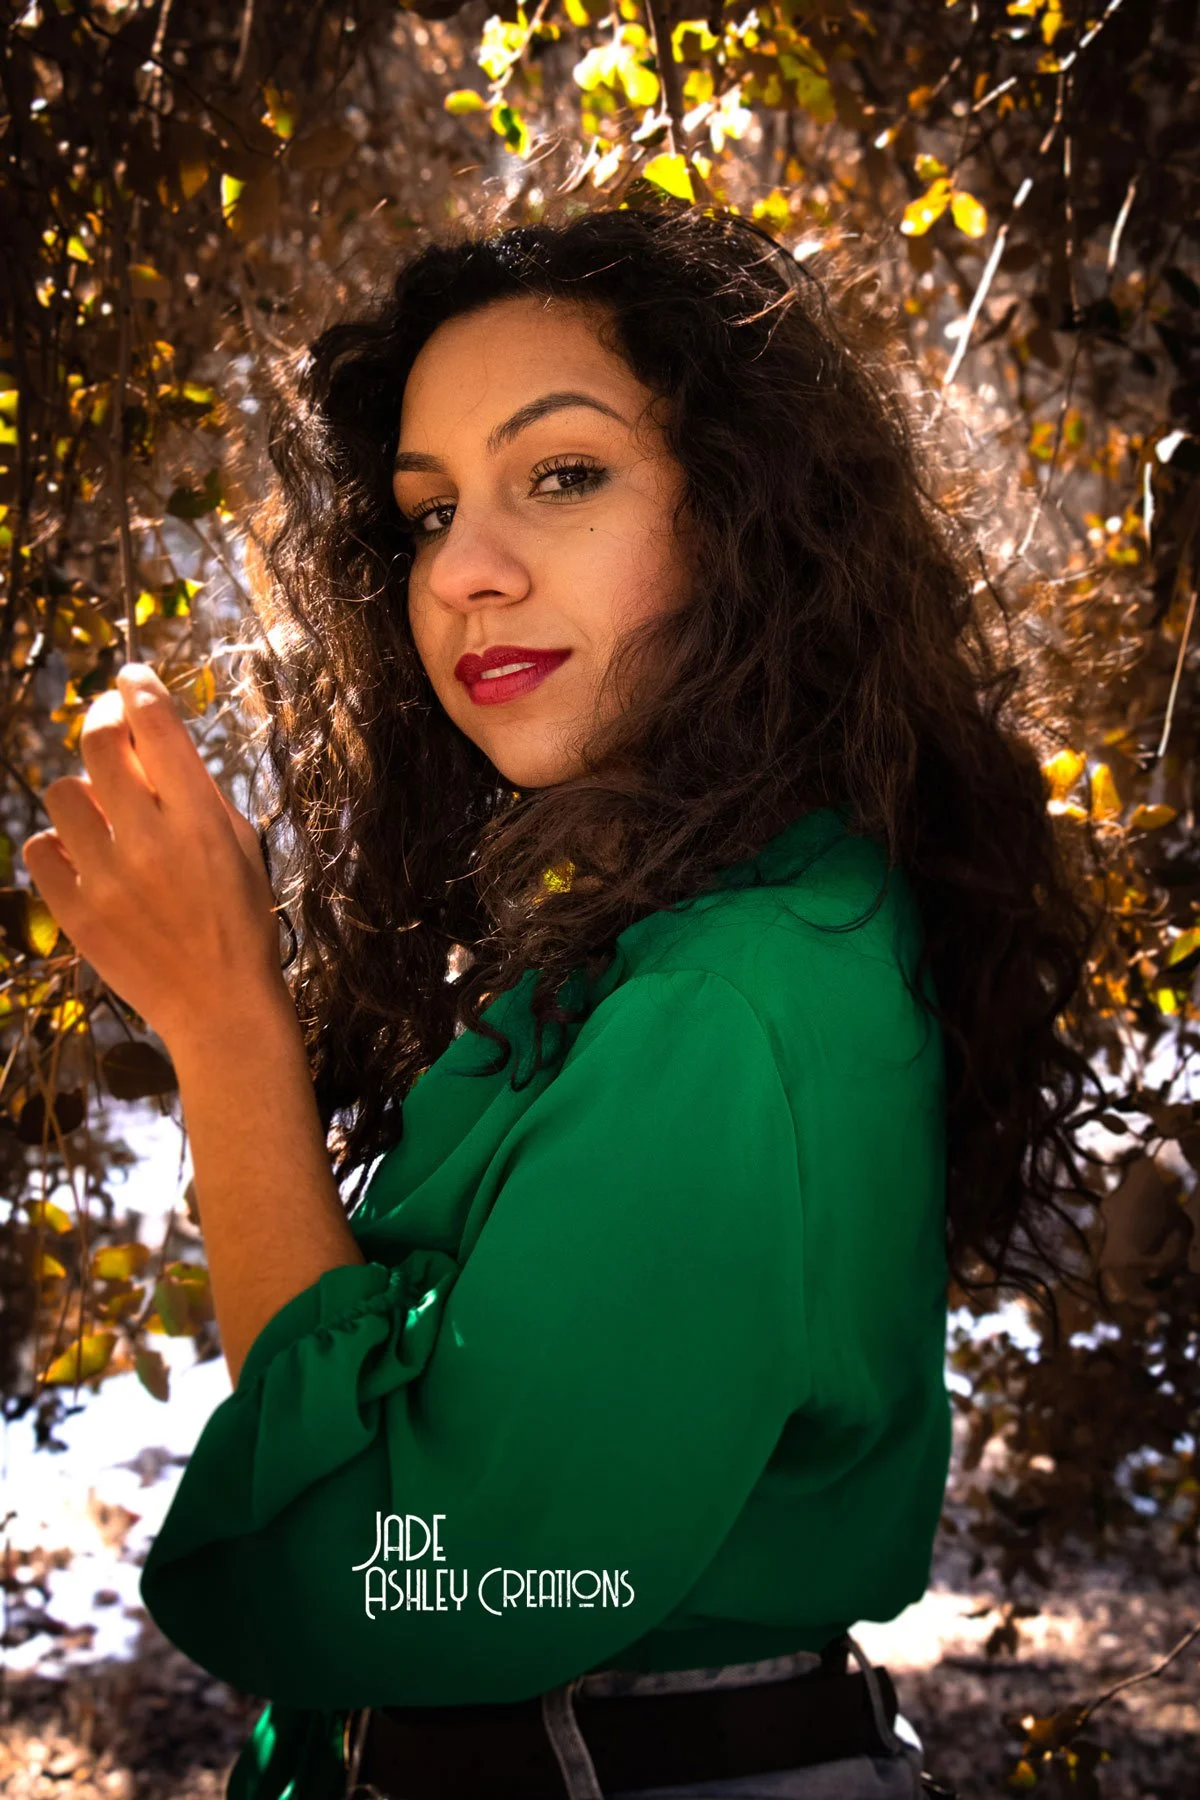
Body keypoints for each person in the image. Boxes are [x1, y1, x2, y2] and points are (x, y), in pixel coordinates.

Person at [23, 201, 1100, 1800]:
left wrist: (228, 1021)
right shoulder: (695, 921)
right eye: (427, 508)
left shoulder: (729, 992)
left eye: (565, 474)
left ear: (748, 514)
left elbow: (427, 1582)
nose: (465, 568)